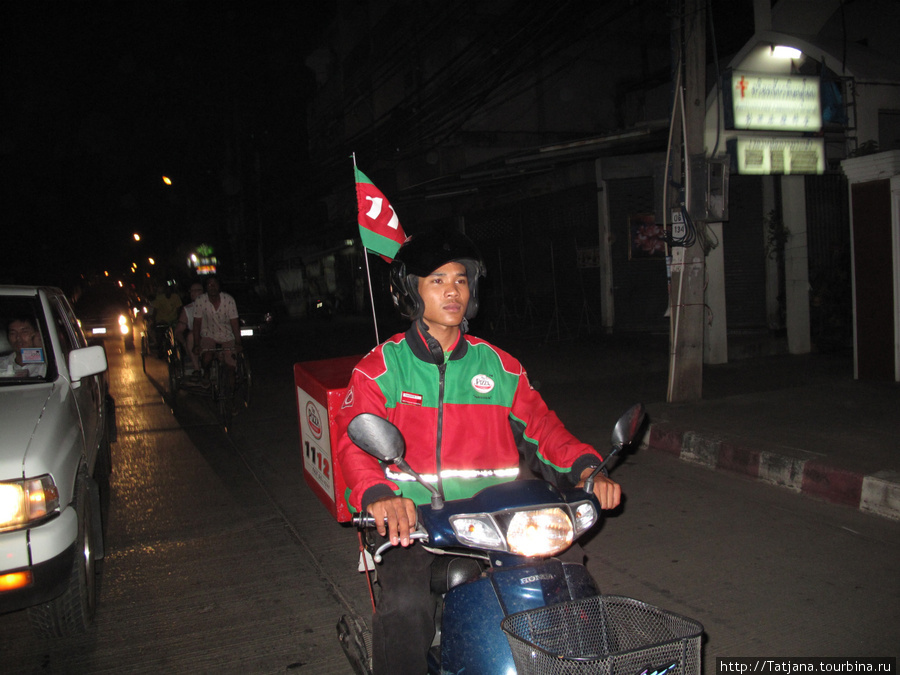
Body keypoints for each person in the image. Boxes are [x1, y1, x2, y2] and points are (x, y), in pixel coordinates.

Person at [334, 230, 622, 674]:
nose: (453, 290)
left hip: (505, 522)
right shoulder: (381, 368)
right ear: (411, 292)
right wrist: (377, 495)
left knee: (568, 588)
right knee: (407, 608)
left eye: (461, 280)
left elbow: (544, 430)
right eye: (437, 280)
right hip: (420, 526)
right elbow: (354, 447)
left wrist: (589, 468)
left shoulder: (501, 366)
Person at [191, 275, 242, 389]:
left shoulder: (229, 300)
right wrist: (196, 344)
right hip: (209, 334)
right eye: (209, 284)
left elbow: (234, 322)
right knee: (207, 357)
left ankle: (231, 396)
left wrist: (238, 342)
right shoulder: (200, 301)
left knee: (231, 367)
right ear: (206, 287)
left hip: (227, 335)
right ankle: (207, 373)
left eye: (215, 284)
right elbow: (197, 323)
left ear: (219, 287)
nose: (212, 287)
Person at [174, 280, 204, 377]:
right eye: (191, 291)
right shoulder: (188, 309)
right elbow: (178, 331)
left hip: (211, 335)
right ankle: (197, 369)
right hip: (196, 339)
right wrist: (184, 344)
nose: (192, 293)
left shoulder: (212, 305)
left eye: (195, 291)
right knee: (191, 336)